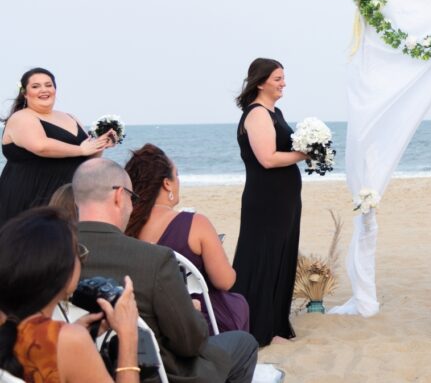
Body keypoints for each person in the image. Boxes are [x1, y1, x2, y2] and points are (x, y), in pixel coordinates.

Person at [74, 158, 258, 382]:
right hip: (156, 373)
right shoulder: (153, 259)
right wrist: (193, 310)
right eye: (132, 199)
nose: (132, 207)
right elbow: (190, 343)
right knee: (244, 343)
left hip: (77, 367)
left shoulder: (47, 255)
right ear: (118, 196)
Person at [0, 207, 140, 383]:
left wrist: (73, 333)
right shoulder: (68, 341)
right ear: (60, 270)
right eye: (77, 252)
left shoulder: (15, 330)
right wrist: (128, 337)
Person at [125, 143, 250, 334]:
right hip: (191, 319)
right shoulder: (195, 224)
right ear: (167, 183)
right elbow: (225, 281)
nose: (178, 181)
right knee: (238, 304)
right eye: (177, 175)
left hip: (141, 318)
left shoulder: (123, 225)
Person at [231, 58, 307, 347]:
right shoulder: (257, 114)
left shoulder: (276, 112)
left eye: (283, 78)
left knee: (281, 257)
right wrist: (304, 155)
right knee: (263, 259)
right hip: (266, 198)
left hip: (284, 197)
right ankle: (260, 329)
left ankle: (274, 323)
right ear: (260, 82)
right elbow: (267, 158)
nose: (283, 83)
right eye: (277, 78)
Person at [0, 68, 115, 226]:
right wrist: (80, 149)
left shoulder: (70, 117)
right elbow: (41, 146)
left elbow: (87, 158)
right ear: (25, 93)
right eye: (35, 86)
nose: (44, 90)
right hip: (29, 195)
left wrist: (100, 144)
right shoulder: (21, 117)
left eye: (48, 85)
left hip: (66, 197)